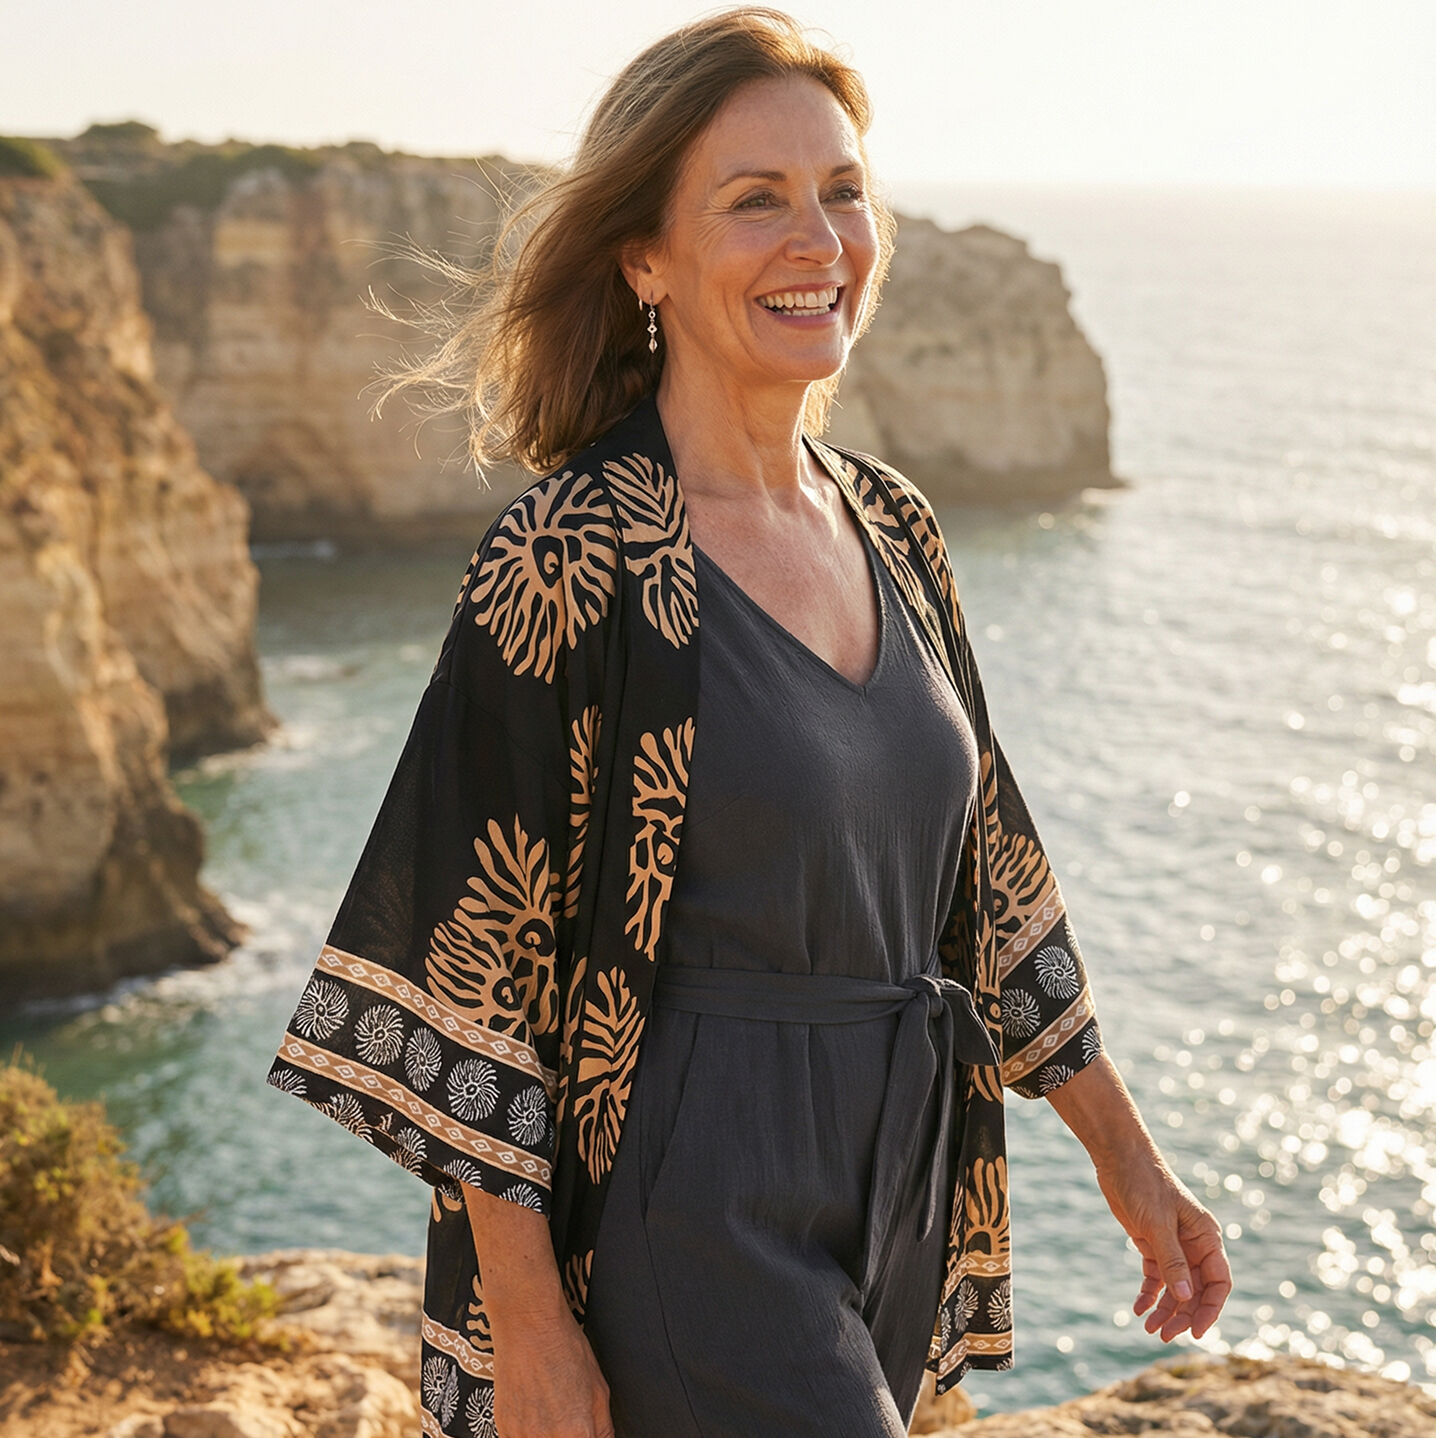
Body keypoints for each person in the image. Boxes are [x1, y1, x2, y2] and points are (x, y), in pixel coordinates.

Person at [266, 9, 1232, 1436]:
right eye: (754, 199)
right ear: (644, 256)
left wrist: (1131, 1166)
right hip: (686, 1185)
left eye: (841, 190)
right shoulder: (573, 555)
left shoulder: (891, 524)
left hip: (892, 1165)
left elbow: (994, 886)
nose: (818, 238)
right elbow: (474, 968)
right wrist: (532, 1332)